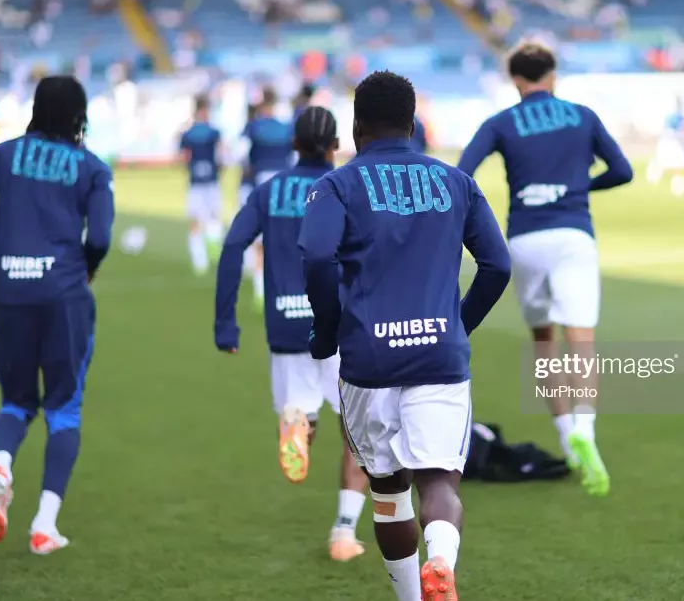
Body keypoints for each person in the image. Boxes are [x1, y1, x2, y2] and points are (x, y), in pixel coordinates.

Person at [299, 70, 511, 601]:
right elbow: (497, 265)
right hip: (438, 356)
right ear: (414, 123)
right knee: (439, 482)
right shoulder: (455, 181)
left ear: (355, 127)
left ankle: (412, 597)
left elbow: (317, 256)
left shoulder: (335, 186)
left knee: (389, 492)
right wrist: (458, 325)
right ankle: (440, 558)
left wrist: (327, 331)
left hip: (368, 360)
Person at [456, 42, 633, 496]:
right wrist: (580, 187)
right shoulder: (582, 115)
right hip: (573, 234)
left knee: (543, 344)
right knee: (582, 341)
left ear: (516, 81)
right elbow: (623, 170)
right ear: (552, 76)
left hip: (525, 239)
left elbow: (463, 171)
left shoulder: (500, 122)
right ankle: (586, 434)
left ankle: (565, 441)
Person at [0, 75, 114, 555]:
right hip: (64, 297)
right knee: (63, 409)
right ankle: (44, 525)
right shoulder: (91, 167)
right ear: (78, 116)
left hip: (8, 294)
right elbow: (102, 236)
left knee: (16, 402)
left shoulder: (3, 155)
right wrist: (85, 270)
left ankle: (1, 465)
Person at [214, 105, 370, 562]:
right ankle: (343, 532)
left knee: (304, 406)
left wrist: (226, 321)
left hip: (285, 323)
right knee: (357, 432)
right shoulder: (346, 186)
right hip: (342, 324)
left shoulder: (269, 190)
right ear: (335, 144)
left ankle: (299, 421)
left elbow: (232, 246)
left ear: (294, 144)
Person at [239, 87, 294, 309]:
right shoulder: (287, 128)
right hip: (284, 184)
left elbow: (239, 155)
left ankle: (261, 290)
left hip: (261, 182)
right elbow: (296, 157)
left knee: (260, 238)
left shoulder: (254, 127)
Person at [180, 95, 224, 276]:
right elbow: (221, 156)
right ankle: (214, 249)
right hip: (211, 181)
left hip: (195, 182)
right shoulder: (214, 132)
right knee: (213, 216)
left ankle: (200, 260)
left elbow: (184, 157)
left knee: (195, 220)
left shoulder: (188, 133)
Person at [647, 97, 684, 196]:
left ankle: (678, 188)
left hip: (671, 142)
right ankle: (654, 173)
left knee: (677, 166)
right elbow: (678, 131)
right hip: (669, 142)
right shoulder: (676, 117)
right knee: (669, 164)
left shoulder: (676, 116)